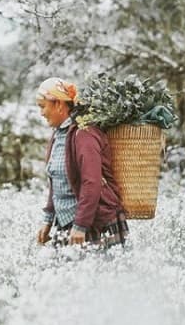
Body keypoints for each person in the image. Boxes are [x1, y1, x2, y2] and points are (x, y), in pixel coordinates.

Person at [34, 77, 128, 248]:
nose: (41, 113)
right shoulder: (57, 135)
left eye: (43, 106)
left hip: (95, 224)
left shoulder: (84, 134)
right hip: (67, 223)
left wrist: (81, 225)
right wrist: (48, 219)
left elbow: (91, 182)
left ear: (59, 105)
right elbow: (56, 182)